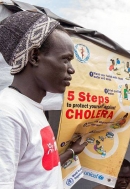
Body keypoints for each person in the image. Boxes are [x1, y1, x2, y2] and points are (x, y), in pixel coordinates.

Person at [0, 11, 87, 189]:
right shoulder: (8, 113)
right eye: (65, 60)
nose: (71, 70)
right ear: (34, 57)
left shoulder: (30, 108)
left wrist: (71, 152)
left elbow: (40, 168)